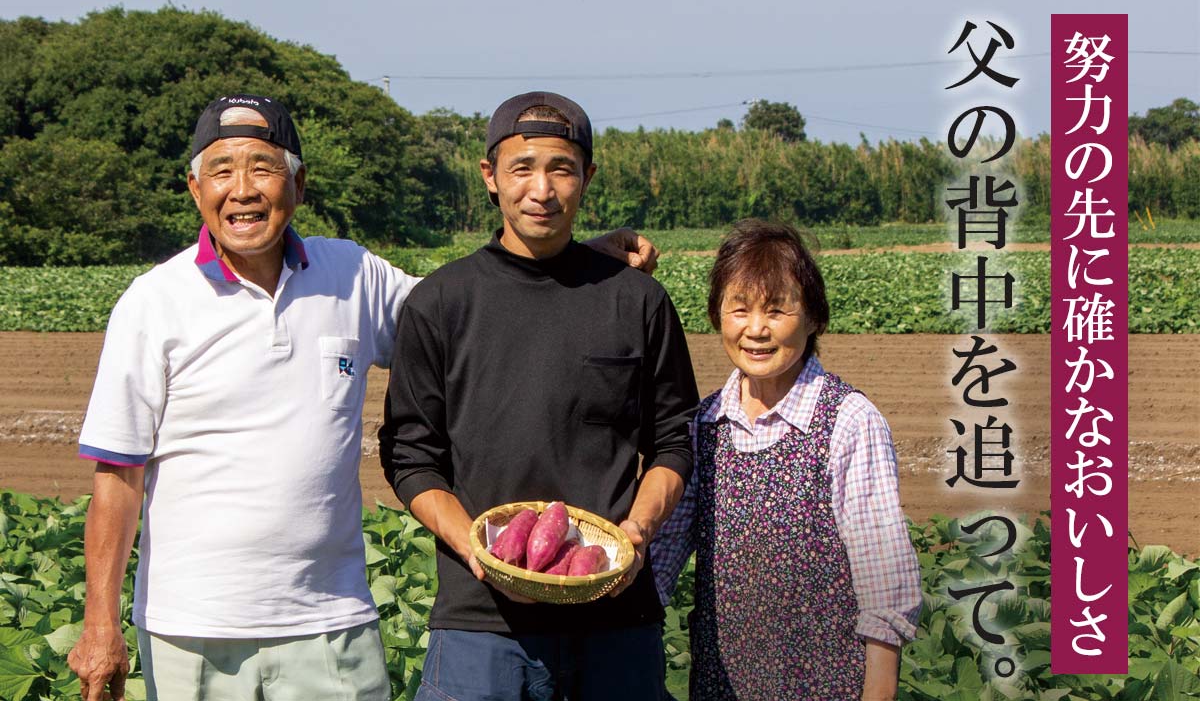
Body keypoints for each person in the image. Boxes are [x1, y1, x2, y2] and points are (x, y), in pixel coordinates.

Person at [66, 93, 660, 701]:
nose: (242, 190)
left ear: (299, 185)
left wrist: (586, 265)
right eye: (221, 170)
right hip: (191, 628)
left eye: (264, 168)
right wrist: (99, 627)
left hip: (331, 622)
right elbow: (117, 476)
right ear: (195, 190)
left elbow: (476, 306)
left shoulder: (351, 274)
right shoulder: (153, 301)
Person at [378, 91, 700, 701]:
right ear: (490, 178)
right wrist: (476, 548)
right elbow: (410, 454)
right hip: (482, 624)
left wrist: (636, 531)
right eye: (521, 167)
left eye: (561, 168)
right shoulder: (442, 303)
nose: (541, 189)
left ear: (587, 178)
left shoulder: (636, 301)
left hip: (614, 616)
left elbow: (673, 440)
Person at [649, 219, 922, 701]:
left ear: (814, 318)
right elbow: (662, 558)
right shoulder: (705, 423)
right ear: (717, 317)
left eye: (777, 310)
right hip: (721, 686)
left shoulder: (848, 421)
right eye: (739, 309)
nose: (756, 329)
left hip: (828, 685)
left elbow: (884, 581)